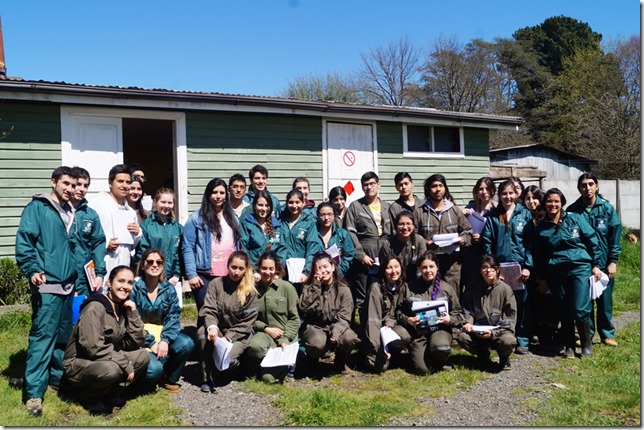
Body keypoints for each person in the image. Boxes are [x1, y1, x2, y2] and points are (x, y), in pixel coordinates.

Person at [15, 166, 79, 416]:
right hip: (47, 285)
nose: (70, 189)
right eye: (66, 183)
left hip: (68, 286)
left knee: (62, 338)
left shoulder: (71, 211)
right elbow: (25, 241)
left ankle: (56, 381)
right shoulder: (38, 208)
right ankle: (33, 394)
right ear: (53, 182)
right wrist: (32, 269)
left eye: (73, 185)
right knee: (43, 339)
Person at [62, 266, 150, 416]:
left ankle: (110, 395)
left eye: (129, 283)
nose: (125, 286)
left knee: (143, 356)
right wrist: (125, 364)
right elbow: (93, 347)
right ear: (109, 283)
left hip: (105, 358)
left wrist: (133, 314)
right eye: (121, 281)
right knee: (111, 369)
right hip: (79, 362)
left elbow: (135, 343)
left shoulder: (123, 308)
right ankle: (89, 398)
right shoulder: (95, 307)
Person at [532, 188, 603, 358]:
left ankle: (586, 345)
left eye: (556, 201)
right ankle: (569, 346)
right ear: (545, 204)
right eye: (549, 201)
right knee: (563, 308)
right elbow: (538, 256)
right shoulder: (541, 228)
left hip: (580, 268)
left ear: (562, 203)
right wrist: (542, 279)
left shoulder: (575, 219)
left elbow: (593, 241)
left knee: (579, 308)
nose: (553, 204)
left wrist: (596, 264)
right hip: (556, 272)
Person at [567, 172, 622, 347]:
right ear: (579, 188)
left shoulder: (606, 209)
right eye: (584, 185)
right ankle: (587, 334)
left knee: (605, 300)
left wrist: (613, 261)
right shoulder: (572, 211)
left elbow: (615, 237)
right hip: (582, 263)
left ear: (597, 186)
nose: (587, 188)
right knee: (585, 301)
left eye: (591, 184)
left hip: (605, 262)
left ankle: (606, 334)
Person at [130, 249, 194, 393]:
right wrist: (151, 342)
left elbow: (173, 316)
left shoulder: (169, 289)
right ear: (143, 265)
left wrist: (165, 340)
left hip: (161, 335)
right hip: (139, 339)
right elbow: (132, 322)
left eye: (159, 262)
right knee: (153, 370)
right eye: (150, 262)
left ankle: (168, 378)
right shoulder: (134, 289)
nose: (154, 265)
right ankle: (143, 381)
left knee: (186, 344)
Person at [482, 179, 533, 355]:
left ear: (516, 194)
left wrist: (528, 267)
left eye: (511, 193)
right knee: (503, 305)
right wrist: (494, 270)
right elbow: (487, 245)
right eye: (504, 193)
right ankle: (502, 337)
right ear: (499, 195)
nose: (508, 197)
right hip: (501, 270)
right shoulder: (492, 217)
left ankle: (523, 339)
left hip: (520, 269)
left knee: (522, 305)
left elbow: (530, 244)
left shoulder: (525, 215)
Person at [198, 251, 258, 392]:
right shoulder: (216, 284)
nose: (236, 272)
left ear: (246, 269)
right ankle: (208, 377)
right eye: (233, 267)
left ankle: (234, 368)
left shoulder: (250, 291)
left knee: (228, 360)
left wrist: (229, 337)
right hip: (219, 329)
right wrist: (212, 327)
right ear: (227, 266)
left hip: (239, 334)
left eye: (241, 268)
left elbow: (247, 322)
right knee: (202, 333)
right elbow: (209, 308)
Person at [396, 251, 464, 374]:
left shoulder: (446, 288)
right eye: (424, 267)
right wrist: (408, 320)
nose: (428, 270)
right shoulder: (408, 288)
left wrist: (450, 319)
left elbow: (458, 314)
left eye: (431, 266)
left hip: (440, 330)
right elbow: (399, 312)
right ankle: (420, 353)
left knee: (440, 347)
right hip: (418, 334)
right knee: (423, 370)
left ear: (437, 267)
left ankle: (440, 358)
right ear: (419, 269)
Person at [182, 178, 241, 313]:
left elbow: (238, 244)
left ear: (226, 195)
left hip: (229, 274)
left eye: (222, 193)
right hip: (205, 275)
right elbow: (187, 247)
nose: (218, 196)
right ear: (208, 194)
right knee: (206, 312)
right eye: (214, 192)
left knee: (226, 312)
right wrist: (191, 274)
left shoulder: (232, 216)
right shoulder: (197, 218)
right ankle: (203, 334)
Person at [298, 252, 360, 374]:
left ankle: (340, 361)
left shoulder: (343, 289)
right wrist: (316, 287)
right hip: (315, 327)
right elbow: (302, 307)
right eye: (319, 268)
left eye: (325, 266)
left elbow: (345, 318)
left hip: (337, 326)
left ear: (332, 267)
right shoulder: (309, 287)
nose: (323, 271)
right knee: (317, 343)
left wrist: (335, 333)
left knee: (350, 338)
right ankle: (313, 360)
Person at [244, 252, 300, 383]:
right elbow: (250, 319)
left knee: (267, 379)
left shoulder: (286, 287)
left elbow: (295, 318)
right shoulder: (253, 290)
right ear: (259, 268)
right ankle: (261, 363)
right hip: (266, 334)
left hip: (285, 336)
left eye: (271, 269)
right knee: (254, 347)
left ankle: (286, 366)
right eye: (264, 268)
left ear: (276, 269)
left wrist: (285, 339)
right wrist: (266, 328)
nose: (267, 272)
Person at [344, 171, 392, 319]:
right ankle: (363, 328)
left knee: (385, 290)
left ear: (379, 185)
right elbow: (350, 233)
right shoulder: (356, 206)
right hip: (365, 255)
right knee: (363, 294)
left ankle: (385, 324)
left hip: (384, 253)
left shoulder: (387, 207)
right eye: (365, 185)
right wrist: (360, 255)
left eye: (372, 184)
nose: (369, 187)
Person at [414, 174, 472, 295]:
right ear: (428, 190)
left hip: (452, 263)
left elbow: (468, 231)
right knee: (428, 293)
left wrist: (463, 239)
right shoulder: (420, 212)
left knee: (452, 294)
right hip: (429, 262)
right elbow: (413, 235)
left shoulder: (455, 210)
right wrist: (426, 243)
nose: (438, 189)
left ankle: (452, 314)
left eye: (441, 185)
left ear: (445, 188)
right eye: (434, 186)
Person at [458, 255, 518, 371]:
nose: (488, 271)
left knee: (508, 341)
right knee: (462, 337)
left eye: (492, 267)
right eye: (484, 267)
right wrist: (468, 323)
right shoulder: (472, 287)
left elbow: (510, 319)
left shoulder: (505, 290)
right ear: (480, 270)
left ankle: (504, 357)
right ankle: (482, 355)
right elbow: (467, 310)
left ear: (497, 270)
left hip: (498, 331)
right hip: (477, 331)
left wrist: (493, 333)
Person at [89, 164, 142, 288]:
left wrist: (137, 232)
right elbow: (85, 232)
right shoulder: (97, 203)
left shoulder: (130, 211)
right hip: (103, 261)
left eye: (128, 182)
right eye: (120, 181)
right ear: (110, 183)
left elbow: (132, 245)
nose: (124, 185)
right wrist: (105, 244)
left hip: (123, 261)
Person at [362, 255, 411, 373]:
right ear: (383, 270)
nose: (394, 271)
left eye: (396, 267)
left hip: (391, 328)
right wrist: (378, 348)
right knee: (378, 367)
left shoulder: (404, 286)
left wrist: (390, 322)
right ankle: (367, 351)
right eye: (389, 268)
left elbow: (400, 312)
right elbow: (372, 321)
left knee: (404, 335)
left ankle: (394, 354)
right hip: (374, 331)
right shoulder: (375, 288)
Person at [69, 166, 107, 297]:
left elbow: (98, 244)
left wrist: (100, 274)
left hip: (85, 278)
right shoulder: (58, 212)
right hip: (63, 277)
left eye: (85, 186)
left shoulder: (90, 215)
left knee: (85, 313)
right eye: (78, 184)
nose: (81, 189)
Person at [136, 188, 183, 290]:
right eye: (163, 202)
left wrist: (177, 275)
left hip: (172, 279)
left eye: (170, 203)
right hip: (150, 277)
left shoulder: (178, 228)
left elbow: (180, 254)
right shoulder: (146, 226)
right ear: (155, 202)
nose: (166, 206)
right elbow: (142, 252)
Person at [277, 189, 323, 285]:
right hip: (281, 273)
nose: (294, 206)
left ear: (303, 203)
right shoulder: (280, 222)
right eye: (291, 202)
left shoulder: (309, 224)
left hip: (301, 274)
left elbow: (312, 250)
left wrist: (306, 272)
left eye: (297, 202)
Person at [461, 177, 496, 289]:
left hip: (488, 251)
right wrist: (461, 215)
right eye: (481, 189)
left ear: (493, 191)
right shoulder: (470, 208)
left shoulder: (496, 209)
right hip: (471, 253)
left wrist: (483, 237)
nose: (484, 192)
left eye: (487, 188)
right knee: (472, 284)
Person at [239, 190, 286, 271]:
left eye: (267, 205)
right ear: (254, 206)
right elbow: (244, 249)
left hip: (271, 273)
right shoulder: (247, 223)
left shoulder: (277, 225)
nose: (264, 209)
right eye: (260, 205)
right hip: (253, 272)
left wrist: (277, 272)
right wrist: (252, 271)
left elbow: (282, 250)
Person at [378, 211, 427, 283]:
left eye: (408, 224)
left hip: (415, 282)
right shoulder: (387, 244)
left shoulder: (419, 241)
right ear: (395, 226)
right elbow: (385, 268)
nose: (405, 227)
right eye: (401, 224)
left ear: (414, 226)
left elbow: (422, 266)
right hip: (394, 281)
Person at [315, 202, 355, 278]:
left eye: (329, 214)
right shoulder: (312, 234)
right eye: (323, 215)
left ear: (334, 215)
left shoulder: (342, 234)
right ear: (318, 216)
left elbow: (349, 255)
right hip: (317, 275)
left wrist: (337, 271)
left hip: (338, 276)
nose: (326, 218)